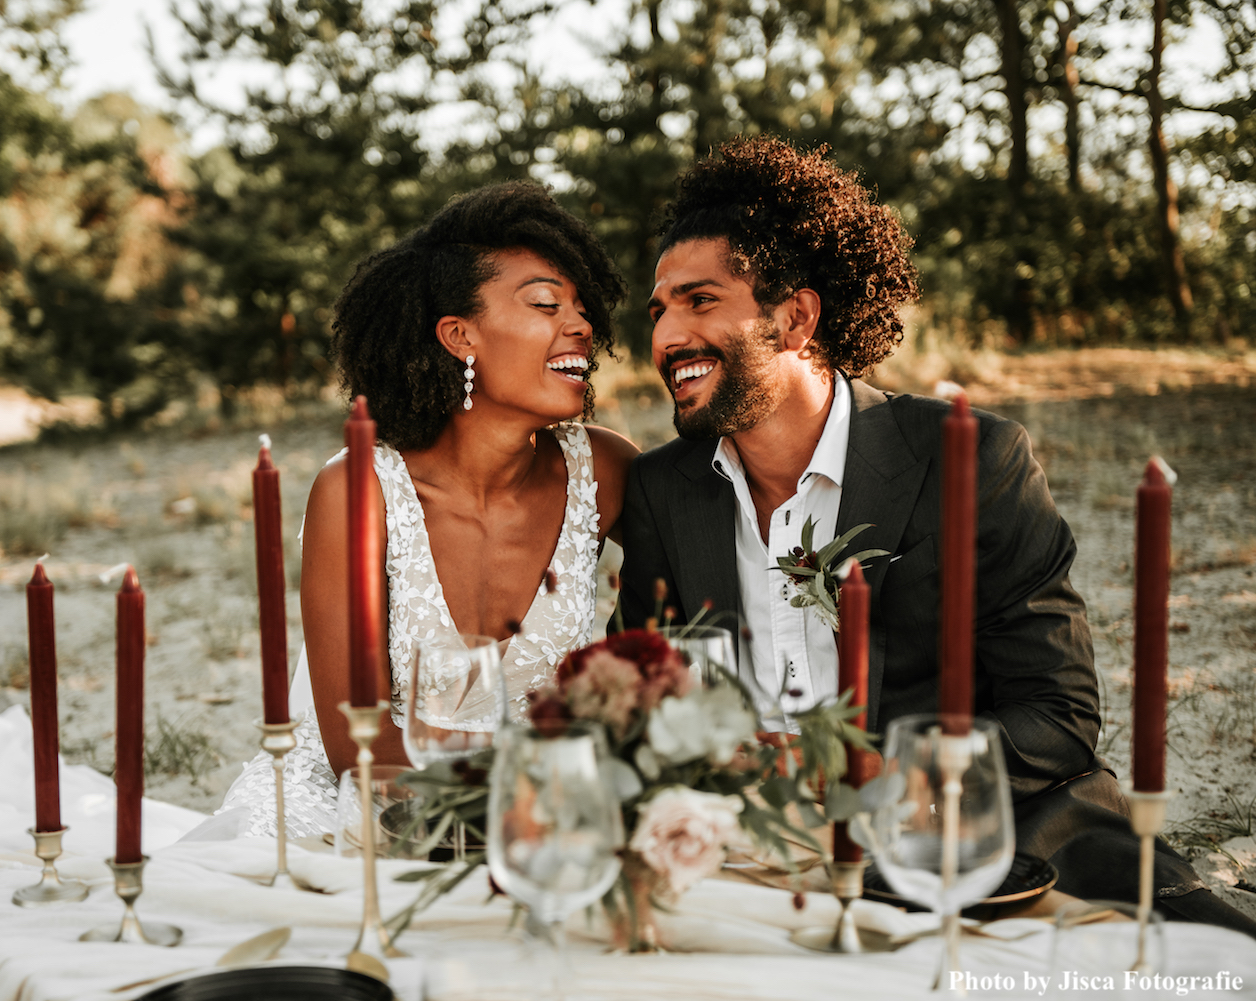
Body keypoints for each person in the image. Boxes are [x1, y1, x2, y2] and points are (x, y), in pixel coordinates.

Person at [614, 135, 1256, 934]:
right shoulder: (660, 491)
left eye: (699, 300)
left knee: (1207, 964)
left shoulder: (973, 458)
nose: (665, 336)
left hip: (992, 848)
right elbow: (646, 700)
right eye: (658, 309)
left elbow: (1056, 714)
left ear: (797, 318)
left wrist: (891, 772)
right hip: (751, 863)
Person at [217, 182, 638, 837]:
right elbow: (351, 744)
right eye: (546, 303)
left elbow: (700, 573)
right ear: (459, 335)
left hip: (553, 816)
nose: (580, 324)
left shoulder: (606, 470)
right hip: (364, 811)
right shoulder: (357, 491)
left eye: (582, 306)